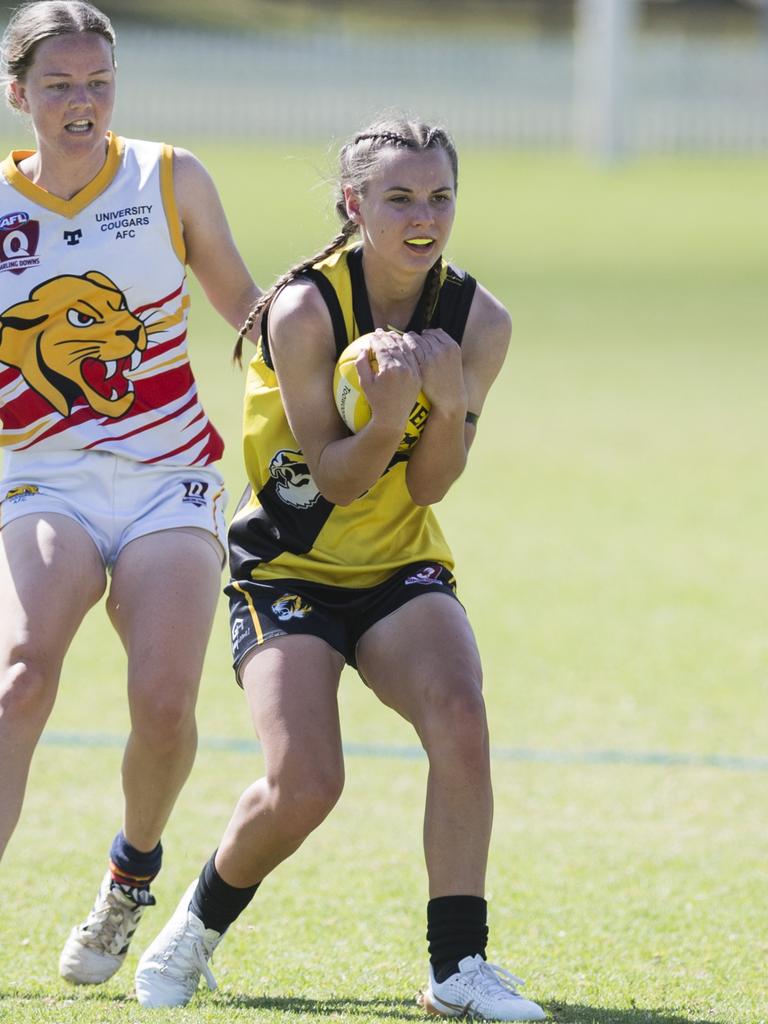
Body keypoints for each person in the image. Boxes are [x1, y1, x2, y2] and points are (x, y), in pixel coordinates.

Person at [134, 115, 546, 1022]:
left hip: (399, 565)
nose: (423, 215)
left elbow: (431, 486)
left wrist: (441, 413)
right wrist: (389, 410)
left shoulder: (480, 321)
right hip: (289, 564)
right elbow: (334, 482)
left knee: (462, 717)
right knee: (308, 784)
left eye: (440, 196)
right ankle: (196, 927)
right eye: (398, 197)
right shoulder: (303, 311)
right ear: (354, 205)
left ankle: (458, 969)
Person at [0, 0, 260, 987]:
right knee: (20, 678)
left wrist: (337, 334)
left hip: (169, 481)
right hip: (46, 478)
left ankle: (128, 877)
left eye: (98, 82)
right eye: (59, 85)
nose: (82, 102)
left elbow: (247, 308)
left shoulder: (168, 177)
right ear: (17, 94)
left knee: (162, 701)